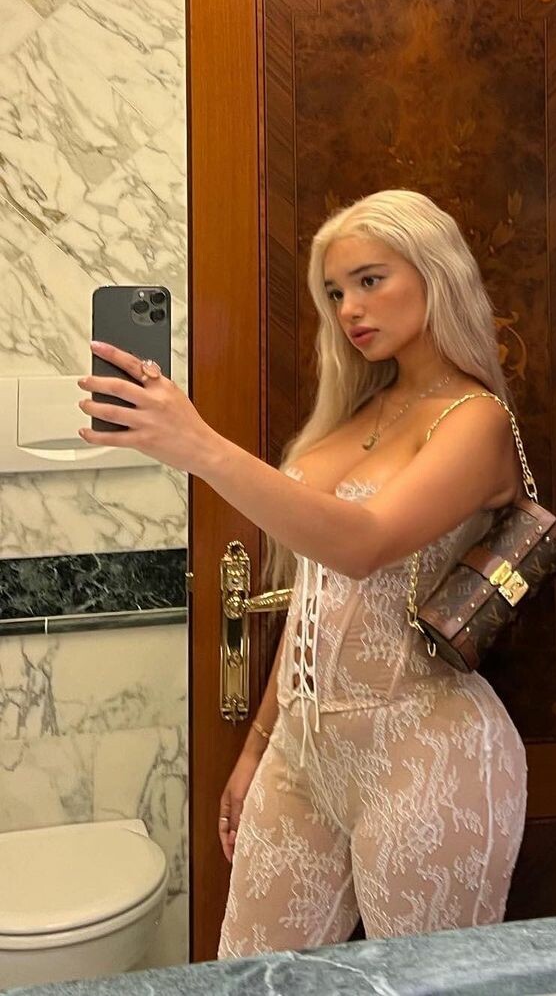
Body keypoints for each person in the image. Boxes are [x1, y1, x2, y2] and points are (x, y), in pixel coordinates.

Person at [76, 189, 528, 954]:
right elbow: (320, 593)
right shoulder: (356, 414)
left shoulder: (475, 419)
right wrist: (260, 746)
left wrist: (199, 447)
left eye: (369, 280)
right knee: (253, 974)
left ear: (435, 272)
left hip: (427, 749)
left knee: (420, 983)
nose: (350, 308)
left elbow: (364, 544)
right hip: (303, 750)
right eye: (334, 291)